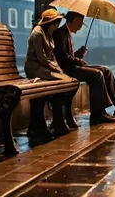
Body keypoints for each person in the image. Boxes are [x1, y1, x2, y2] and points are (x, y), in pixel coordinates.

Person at [53, 11, 115, 125]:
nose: (81, 27)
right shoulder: (60, 34)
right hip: (66, 70)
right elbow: (61, 57)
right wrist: (78, 60)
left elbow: (68, 56)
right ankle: (97, 113)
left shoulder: (66, 33)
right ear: (75, 20)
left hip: (71, 67)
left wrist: (78, 54)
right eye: (80, 23)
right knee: (96, 74)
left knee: (106, 71)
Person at [25, 8, 77, 138]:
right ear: (51, 23)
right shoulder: (37, 33)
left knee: (66, 80)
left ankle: (58, 120)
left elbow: (52, 56)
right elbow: (42, 58)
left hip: (44, 67)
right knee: (65, 80)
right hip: (34, 67)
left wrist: (57, 68)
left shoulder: (48, 33)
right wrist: (56, 70)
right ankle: (53, 122)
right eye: (56, 23)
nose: (57, 27)